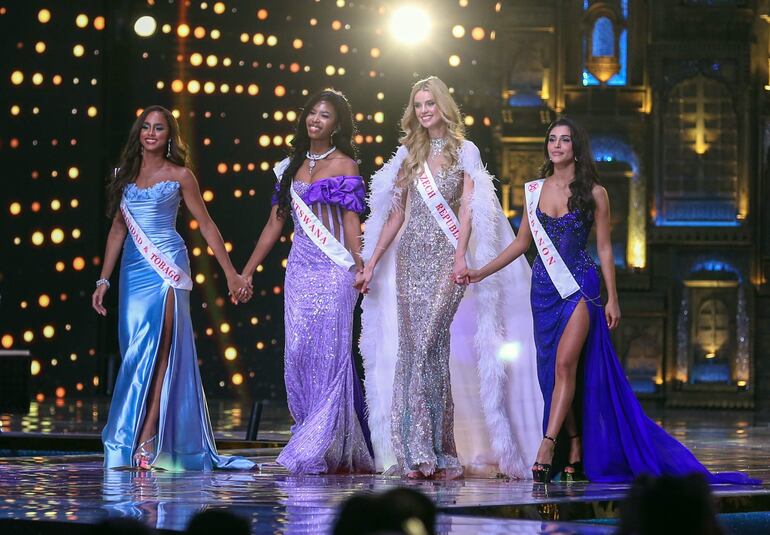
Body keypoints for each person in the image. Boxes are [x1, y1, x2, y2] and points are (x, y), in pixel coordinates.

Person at [458, 117, 758, 485]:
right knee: (552, 372)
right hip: (544, 290)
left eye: (564, 140)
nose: (556, 146)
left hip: (581, 288)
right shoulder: (533, 190)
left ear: (575, 147)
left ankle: (547, 445)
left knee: (567, 365)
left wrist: (612, 298)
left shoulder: (595, 193)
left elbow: (602, 248)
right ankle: (576, 446)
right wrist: (480, 271)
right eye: (552, 139)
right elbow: (523, 243)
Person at [357, 76, 542, 479]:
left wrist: (461, 257)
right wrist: (371, 262)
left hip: (446, 258)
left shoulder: (465, 150)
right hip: (410, 260)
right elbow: (397, 215)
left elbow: (469, 209)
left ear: (444, 106)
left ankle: (432, 448)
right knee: (416, 350)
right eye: (418, 104)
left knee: (429, 346)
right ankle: (422, 452)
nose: (425, 110)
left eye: (430, 103)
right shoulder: (409, 153)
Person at [93, 105, 254, 471]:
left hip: (167, 269)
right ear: (139, 133)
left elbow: (207, 226)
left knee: (161, 349)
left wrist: (230, 272)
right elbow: (118, 229)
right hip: (133, 274)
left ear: (169, 136)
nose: (151, 133)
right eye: (146, 127)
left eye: (159, 128)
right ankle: (135, 432)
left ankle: (148, 434)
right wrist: (103, 279)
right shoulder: (123, 175)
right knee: (135, 352)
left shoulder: (181, 176)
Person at [240, 89, 374, 474]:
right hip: (300, 269)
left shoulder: (346, 165)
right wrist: (247, 270)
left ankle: (321, 442)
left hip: (335, 270)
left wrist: (360, 264)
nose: (316, 119)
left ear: (337, 124)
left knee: (331, 355)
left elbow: (351, 223)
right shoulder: (288, 167)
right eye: (312, 113)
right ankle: (308, 430)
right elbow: (274, 224)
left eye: (326, 115)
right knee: (299, 354)